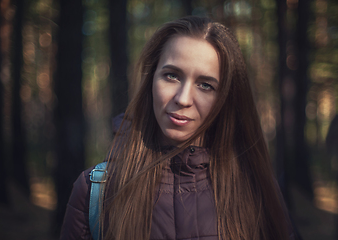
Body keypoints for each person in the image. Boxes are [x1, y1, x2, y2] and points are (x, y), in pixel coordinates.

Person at [60, 16, 295, 240]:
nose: (183, 99)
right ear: (151, 79)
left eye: (205, 85)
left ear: (226, 98)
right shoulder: (96, 191)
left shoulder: (258, 190)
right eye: (172, 76)